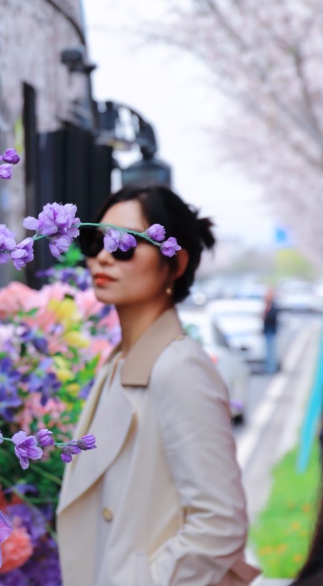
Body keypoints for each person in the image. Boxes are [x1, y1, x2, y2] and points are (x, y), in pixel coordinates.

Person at [56, 185, 259, 586]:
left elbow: (220, 523)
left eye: (125, 245)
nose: (103, 256)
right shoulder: (120, 363)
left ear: (176, 262)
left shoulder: (179, 369)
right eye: (95, 240)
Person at [262, 288, 279, 374]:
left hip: (271, 330)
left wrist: (265, 317)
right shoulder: (266, 306)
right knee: (267, 350)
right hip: (267, 330)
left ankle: (271, 367)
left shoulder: (273, 306)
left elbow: (273, 317)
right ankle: (269, 366)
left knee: (271, 350)